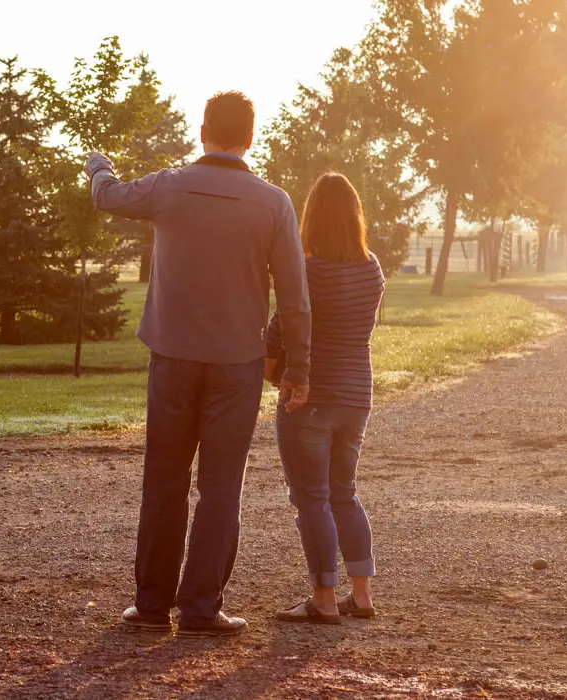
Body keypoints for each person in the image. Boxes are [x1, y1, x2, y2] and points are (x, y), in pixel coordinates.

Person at [85, 91, 311, 637]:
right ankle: (201, 608)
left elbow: (107, 198)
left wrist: (98, 163)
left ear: (201, 129)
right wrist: (297, 368)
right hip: (237, 364)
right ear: (251, 138)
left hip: (173, 357)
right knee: (220, 487)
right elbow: (295, 296)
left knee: (164, 480)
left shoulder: (168, 185)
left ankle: (151, 605)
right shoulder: (274, 202)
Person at [266, 172, 385, 625]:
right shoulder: (371, 267)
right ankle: (362, 594)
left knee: (311, 499)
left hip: (309, 396)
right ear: (355, 217)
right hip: (357, 396)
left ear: (311, 216)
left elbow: (283, 328)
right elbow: (364, 330)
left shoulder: (307, 269)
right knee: (344, 494)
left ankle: (323, 599)